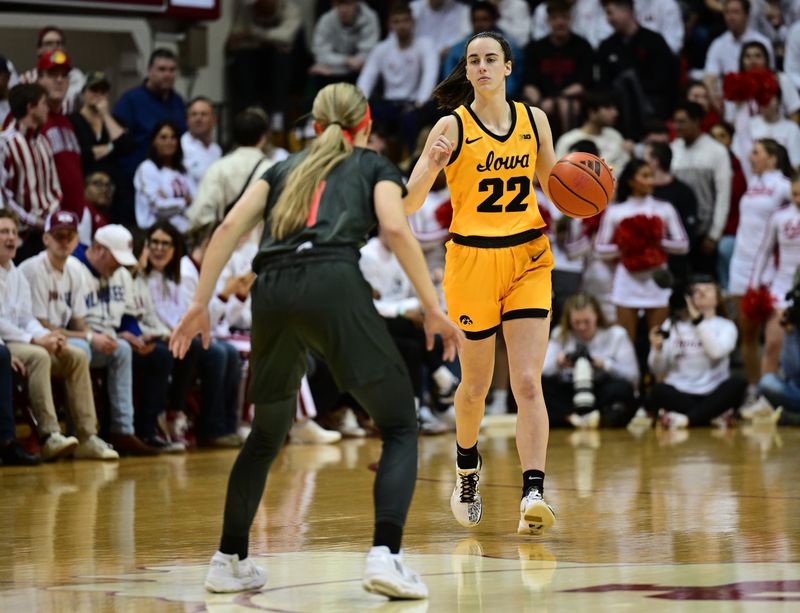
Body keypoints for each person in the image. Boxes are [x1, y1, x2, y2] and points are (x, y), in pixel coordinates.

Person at [169, 82, 462, 597]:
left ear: (314, 123)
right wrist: (433, 308)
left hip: (273, 288)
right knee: (397, 423)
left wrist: (199, 303)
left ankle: (229, 557)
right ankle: (385, 556)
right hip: (331, 279)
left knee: (266, 433)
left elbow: (229, 228)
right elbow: (395, 225)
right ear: (365, 124)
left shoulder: (280, 169)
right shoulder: (371, 164)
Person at [404, 30, 560, 535]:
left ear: (509, 67)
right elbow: (406, 205)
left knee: (527, 382)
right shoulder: (451, 126)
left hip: (529, 256)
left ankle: (533, 489)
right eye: (474, 61)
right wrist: (429, 165)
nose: (483, 67)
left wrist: (593, 181)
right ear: (467, 72)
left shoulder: (535, 120)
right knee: (473, 386)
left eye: (492, 58)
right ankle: (466, 467)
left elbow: (557, 184)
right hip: (471, 261)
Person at [0, 209, 111, 461]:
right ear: (46, 239)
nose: (10, 238)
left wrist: (49, 337)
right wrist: (37, 339)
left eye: (13, 233)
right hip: (7, 344)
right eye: (3, 232)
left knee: (77, 355)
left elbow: (27, 318)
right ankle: (49, 434)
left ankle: (87, 436)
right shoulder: (31, 270)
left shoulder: (15, 274)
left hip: (22, 340)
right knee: (39, 355)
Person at [594, 158, 690, 342]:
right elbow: (599, 249)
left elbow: (683, 245)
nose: (650, 181)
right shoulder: (616, 211)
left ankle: (656, 372)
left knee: (659, 340)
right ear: (631, 180)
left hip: (657, 279)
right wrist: (627, 247)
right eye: (645, 176)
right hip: (626, 280)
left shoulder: (664, 208)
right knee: (625, 341)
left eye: (651, 176)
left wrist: (656, 242)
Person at [728, 139, 792, 391]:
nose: (751, 156)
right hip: (740, 264)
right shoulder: (752, 182)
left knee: (775, 337)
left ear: (773, 158)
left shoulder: (785, 186)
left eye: (756, 152)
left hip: (768, 268)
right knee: (747, 333)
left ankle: (777, 386)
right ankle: (755, 389)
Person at [646, 276, 747, 428]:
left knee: (737, 384)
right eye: (696, 291)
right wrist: (657, 350)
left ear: (717, 299)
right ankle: (708, 416)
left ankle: (687, 419)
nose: (701, 293)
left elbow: (716, 352)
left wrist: (698, 321)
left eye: (707, 290)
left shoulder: (726, 326)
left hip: (713, 393)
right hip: (681, 392)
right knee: (658, 391)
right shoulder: (672, 325)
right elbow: (657, 369)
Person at [542, 292, 638, 428]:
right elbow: (543, 371)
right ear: (569, 320)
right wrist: (559, 363)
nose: (582, 327)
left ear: (597, 317)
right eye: (576, 322)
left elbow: (633, 376)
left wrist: (605, 364)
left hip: (601, 390)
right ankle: (573, 418)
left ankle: (588, 417)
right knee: (540, 386)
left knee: (623, 390)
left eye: (587, 322)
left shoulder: (616, 335)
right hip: (570, 391)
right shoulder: (560, 334)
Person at [187, 107, 287, 231]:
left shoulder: (218, 168)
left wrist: (219, 232)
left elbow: (200, 213)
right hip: (263, 244)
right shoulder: (274, 169)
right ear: (263, 137)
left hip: (226, 243)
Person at [0, 83, 60, 261]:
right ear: (30, 107)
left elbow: (55, 187)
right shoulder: (5, 144)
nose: (47, 108)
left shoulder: (43, 141)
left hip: (46, 233)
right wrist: (34, 221)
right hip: (21, 236)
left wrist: (51, 215)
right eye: (43, 103)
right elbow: (4, 196)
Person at [134, 120, 194, 233]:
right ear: (154, 141)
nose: (169, 142)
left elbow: (196, 201)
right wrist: (184, 202)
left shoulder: (183, 171)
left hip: (183, 233)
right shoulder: (147, 168)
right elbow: (157, 206)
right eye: (163, 137)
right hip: (154, 233)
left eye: (173, 137)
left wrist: (169, 200)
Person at [181, 97, 222, 192]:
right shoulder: (179, 148)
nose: (198, 118)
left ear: (214, 120)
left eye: (204, 114)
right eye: (194, 114)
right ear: (187, 120)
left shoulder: (216, 150)